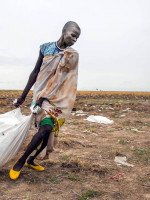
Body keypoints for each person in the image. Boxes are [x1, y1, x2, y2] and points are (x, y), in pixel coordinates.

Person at [9, 21, 81, 180]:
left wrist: (47, 97)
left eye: (77, 38)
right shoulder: (45, 48)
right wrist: (23, 96)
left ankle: (31, 160)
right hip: (40, 94)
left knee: (48, 131)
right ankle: (20, 162)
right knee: (46, 129)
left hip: (58, 98)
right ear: (64, 31)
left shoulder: (72, 55)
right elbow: (35, 73)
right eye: (73, 35)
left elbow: (63, 80)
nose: (75, 40)